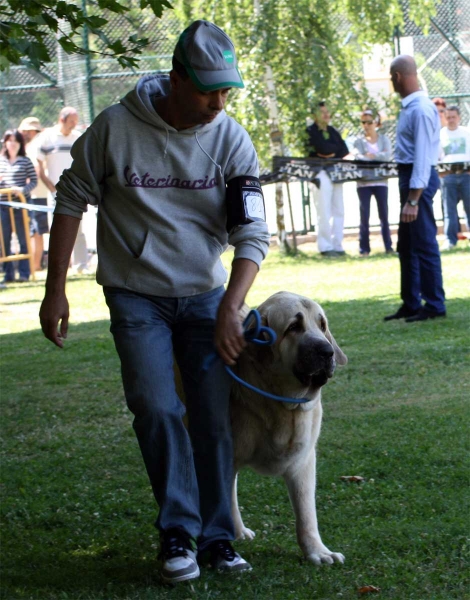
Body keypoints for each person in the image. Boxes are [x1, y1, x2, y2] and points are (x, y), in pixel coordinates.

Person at [39, 20, 270, 584]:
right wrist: (55, 291)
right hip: (135, 296)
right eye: (206, 89)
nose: (218, 103)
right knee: (158, 407)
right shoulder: (116, 128)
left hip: (205, 295)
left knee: (213, 416)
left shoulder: (231, 138)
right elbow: (70, 199)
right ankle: (177, 531)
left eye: (226, 90)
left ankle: (218, 538)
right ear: (175, 79)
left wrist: (231, 306)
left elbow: (253, 233)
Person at [385, 55, 446, 323]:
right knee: (407, 245)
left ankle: (434, 304)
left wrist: (413, 199)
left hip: (416, 180)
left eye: (391, 77)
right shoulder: (413, 107)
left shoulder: (420, 108)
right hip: (410, 178)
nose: (391, 82)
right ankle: (411, 303)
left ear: (398, 77)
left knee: (423, 242)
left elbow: (422, 157)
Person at [36, 107, 89, 273]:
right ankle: (60, 268)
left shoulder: (78, 138)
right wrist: (51, 188)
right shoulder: (47, 138)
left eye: (76, 121)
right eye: (72, 121)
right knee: (58, 230)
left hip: (77, 190)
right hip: (55, 192)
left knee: (79, 229)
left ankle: (81, 265)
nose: (74, 124)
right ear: (62, 119)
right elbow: (39, 165)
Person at [306, 102, 352, 256]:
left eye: (327, 112)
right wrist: (330, 152)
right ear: (315, 115)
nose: (326, 115)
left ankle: (337, 245)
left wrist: (331, 153)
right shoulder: (310, 132)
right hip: (320, 173)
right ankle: (325, 246)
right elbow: (322, 149)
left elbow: (343, 151)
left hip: (335, 172)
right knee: (324, 210)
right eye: (322, 112)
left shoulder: (332, 131)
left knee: (339, 210)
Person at [352, 109, 393, 256]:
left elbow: (387, 156)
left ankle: (388, 247)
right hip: (364, 183)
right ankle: (364, 249)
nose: (366, 125)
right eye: (363, 122)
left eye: (369, 122)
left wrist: (373, 155)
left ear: (376, 123)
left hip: (381, 182)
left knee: (384, 215)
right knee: (364, 216)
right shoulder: (358, 141)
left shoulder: (384, 139)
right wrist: (373, 158)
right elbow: (357, 157)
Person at [0, 129, 37, 283]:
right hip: (3, 205)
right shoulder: (1, 161)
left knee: (23, 239)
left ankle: (24, 273)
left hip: (21, 205)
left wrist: (22, 190)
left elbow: (34, 181)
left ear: (20, 143)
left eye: (15, 141)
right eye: (10, 140)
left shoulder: (25, 161)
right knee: (4, 240)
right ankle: (8, 274)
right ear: (5, 142)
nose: (12, 144)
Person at [18, 117, 50, 271]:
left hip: (39, 194)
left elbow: (37, 168)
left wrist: (30, 184)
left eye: (26, 131)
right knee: (35, 231)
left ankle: (36, 266)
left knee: (37, 232)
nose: (23, 133)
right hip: (36, 194)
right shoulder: (31, 145)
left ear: (33, 131)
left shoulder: (36, 144)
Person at [439, 105, 470, 249]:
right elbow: (437, 156)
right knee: (449, 209)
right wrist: (440, 171)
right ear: (445, 118)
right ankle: (450, 239)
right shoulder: (440, 134)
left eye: (454, 117)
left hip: (466, 175)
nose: (451, 120)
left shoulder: (466, 132)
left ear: (459, 117)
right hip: (448, 176)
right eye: (448, 117)